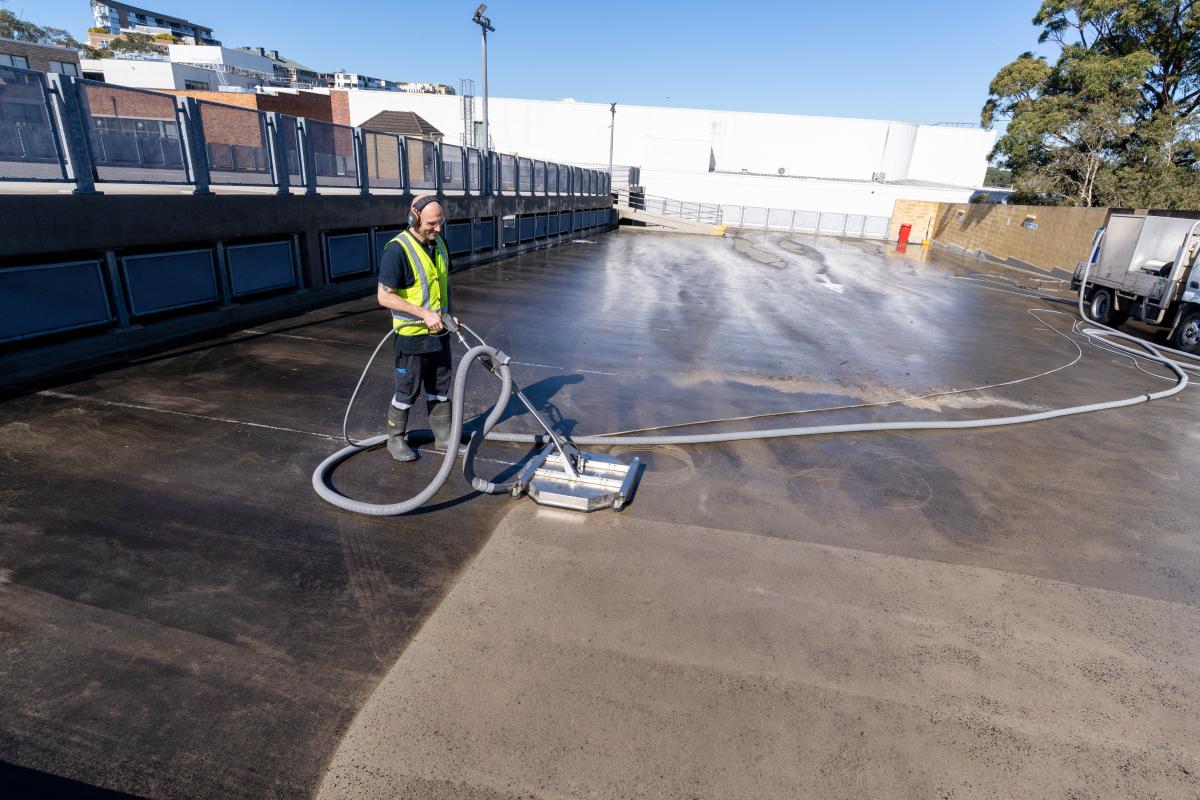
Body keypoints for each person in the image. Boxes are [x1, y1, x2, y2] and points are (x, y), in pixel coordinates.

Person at [376, 194, 456, 462]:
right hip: (411, 338)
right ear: (414, 217)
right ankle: (395, 439)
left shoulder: (440, 243)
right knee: (407, 391)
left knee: (441, 389)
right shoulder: (397, 250)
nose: (438, 228)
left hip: (440, 334)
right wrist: (423, 313)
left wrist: (449, 316)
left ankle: (443, 439)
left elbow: (442, 286)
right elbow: (384, 296)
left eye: (440, 222)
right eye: (432, 223)